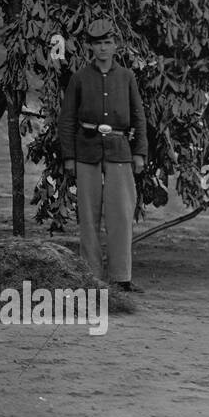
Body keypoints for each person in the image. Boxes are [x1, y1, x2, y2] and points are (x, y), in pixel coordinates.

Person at [58, 18, 148, 292]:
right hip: (86, 152)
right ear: (90, 47)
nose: (103, 49)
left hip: (119, 151)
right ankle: (91, 276)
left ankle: (121, 278)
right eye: (98, 44)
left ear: (116, 45)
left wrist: (140, 152)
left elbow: (138, 116)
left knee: (120, 213)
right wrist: (69, 157)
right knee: (88, 214)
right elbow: (67, 120)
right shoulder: (80, 78)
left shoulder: (127, 77)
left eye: (108, 43)